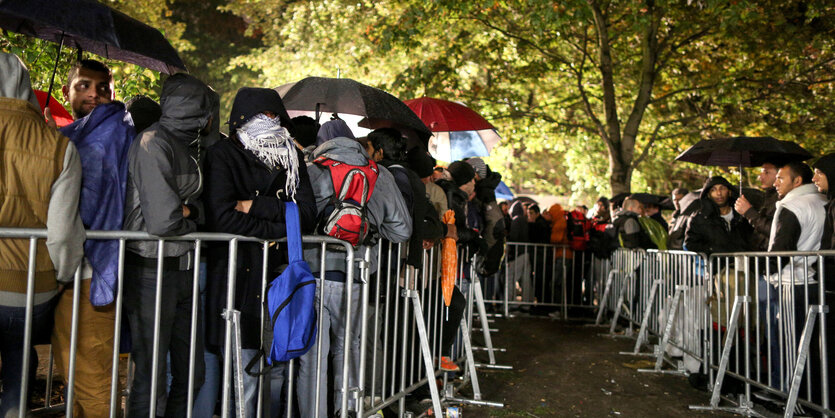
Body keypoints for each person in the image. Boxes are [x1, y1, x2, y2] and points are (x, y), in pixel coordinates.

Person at [202, 87, 318, 416]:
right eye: (260, 116)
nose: (268, 122)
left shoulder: (292, 156)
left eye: (274, 116)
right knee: (242, 374)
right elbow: (223, 217)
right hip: (238, 279)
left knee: (280, 364)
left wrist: (255, 205)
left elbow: (308, 215)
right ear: (241, 118)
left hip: (280, 278)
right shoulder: (223, 154)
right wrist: (281, 225)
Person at [123, 73, 218, 417]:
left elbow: (191, 211)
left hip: (182, 269)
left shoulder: (188, 145)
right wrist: (194, 215)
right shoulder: (153, 143)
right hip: (150, 269)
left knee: (192, 376)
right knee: (150, 380)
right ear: (198, 109)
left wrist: (189, 211)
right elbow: (164, 221)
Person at [300, 135, 411, 417]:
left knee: (312, 355)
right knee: (349, 347)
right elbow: (402, 231)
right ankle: (347, 411)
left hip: (312, 271)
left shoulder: (312, 168)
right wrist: (372, 228)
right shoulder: (378, 173)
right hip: (356, 275)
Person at [0, 52, 85, 418]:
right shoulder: (60, 146)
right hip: (30, 287)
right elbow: (64, 234)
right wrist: (62, 275)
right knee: (20, 355)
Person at [52, 59, 135, 417]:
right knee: (75, 365)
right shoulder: (77, 132)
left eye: (103, 87)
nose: (94, 94)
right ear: (66, 91)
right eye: (84, 86)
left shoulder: (113, 130)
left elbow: (91, 197)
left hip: (93, 265)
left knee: (90, 370)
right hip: (74, 267)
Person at [759, 161, 826, 396]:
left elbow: (782, 249)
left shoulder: (792, 205)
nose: (775, 183)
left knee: (788, 343)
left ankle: (785, 395)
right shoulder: (822, 201)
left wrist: (765, 271)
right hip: (814, 281)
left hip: (792, 282)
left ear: (797, 181)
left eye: (780, 178)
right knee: (808, 344)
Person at [683, 177, 752, 256]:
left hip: (743, 264)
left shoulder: (742, 214)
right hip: (715, 266)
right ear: (708, 194)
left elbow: (752, 239)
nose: (719, 193)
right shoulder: (699, 217)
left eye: (722, 188)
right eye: (713, 190)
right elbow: (691, 244)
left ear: (729, 191)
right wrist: (714, 250)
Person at [735, 162, 780, 250]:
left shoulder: (782, 200)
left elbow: (776, 231)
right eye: (761, 172)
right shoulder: (766, 198)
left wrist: (749, 212)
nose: (760, 177)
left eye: (766, 172)